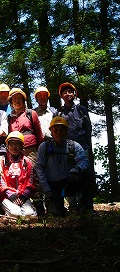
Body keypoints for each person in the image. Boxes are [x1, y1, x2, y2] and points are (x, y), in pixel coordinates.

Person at [36, 117, 89, 215]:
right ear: (51, 131)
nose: (58, 132)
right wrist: (46, 189)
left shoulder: (74, 146)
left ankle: (84, 205)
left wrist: (77, 169)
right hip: (53, 187)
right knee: (56, 212)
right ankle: (58, 204)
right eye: (55, 129)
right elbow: (39, 170)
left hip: (69, 184)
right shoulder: (44, 147)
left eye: (62, 129)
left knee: (86, 176)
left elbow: (84, 161)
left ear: (67, 131)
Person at [56, 82, 94, 211]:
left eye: (70, 91)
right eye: (64, 92)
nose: (68, 94)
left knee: (86, 174)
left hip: (82, 147)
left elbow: (88, 128)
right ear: (61, 95)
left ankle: (87, 205)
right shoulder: (58, 113)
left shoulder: (81, 110)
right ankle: (72, 205)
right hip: (66, 149)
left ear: (74, 94)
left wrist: (87, 146)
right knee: (68, 176)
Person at [0, 131, 36, 217]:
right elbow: (1, 181)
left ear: (21, 146)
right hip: (7, 196)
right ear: (7, 146)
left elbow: (30, 181)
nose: (14, 147)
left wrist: (24, 196)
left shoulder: (27, 162)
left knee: (28, 214)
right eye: (11, 144)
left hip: (22, 196)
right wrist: (10, 194)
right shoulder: (2, 161)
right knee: (16, 214)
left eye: (17, 144)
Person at [7, 88, 44, 166]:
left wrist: (41, 151)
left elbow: (39, 134)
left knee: (32, 172)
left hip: (30, 150)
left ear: (24, 101)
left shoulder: (31, 113)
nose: (17, 101)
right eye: (14, 99)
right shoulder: (9, 118)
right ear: (11, 102)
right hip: (14, 152)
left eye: (20, 98)